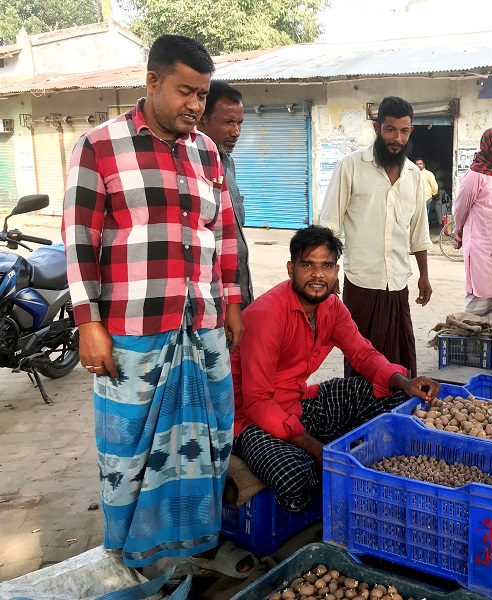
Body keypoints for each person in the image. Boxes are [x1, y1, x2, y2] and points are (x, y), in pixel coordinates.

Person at [62, 35, 251, 576]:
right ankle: (129, 553)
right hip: (133, 330)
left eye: (202, 94)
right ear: (152, 82)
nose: (196, 105)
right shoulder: (99, 147)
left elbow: (225, 235)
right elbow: (79, 241)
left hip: (204, 327)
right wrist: (87, 323)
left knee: (209, 441)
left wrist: (232, 304)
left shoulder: (207, 151)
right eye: (186, 91)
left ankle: (193, 547)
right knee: (129, 452)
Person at [231, 226, 440, 512]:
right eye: (308, 265)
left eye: (326, 266)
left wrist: (405, 382)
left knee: (398, 396)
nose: (318, 275)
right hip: (254, 421)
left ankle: (332, 463)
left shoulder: (332, 307)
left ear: (336, 270)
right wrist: (314, 446)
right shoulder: (267, 314)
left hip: (300, 402)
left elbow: (363, 354)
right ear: (291, 269)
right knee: (295, 476)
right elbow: (257, 402)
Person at [320, 96, 433, 379]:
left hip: (397, 285)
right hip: (361, 284)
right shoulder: (350, 166)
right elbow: (330, 225)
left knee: (400, 357)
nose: (397, 138)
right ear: (377, 128)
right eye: (390, 129)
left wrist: (424, 276)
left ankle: (396, 413)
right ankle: (362, 417)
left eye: (403, 131)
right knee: (360, 362)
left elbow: (418, 232)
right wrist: (328, 274)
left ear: (411, 132)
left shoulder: (414, 176)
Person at [198, 80, 254, 308]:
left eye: (239, 123)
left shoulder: (228, 164)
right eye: (228, 122)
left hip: (238, 292)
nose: (236, 132)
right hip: (209, 298)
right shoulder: (190, 167)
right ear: (202, 119)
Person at [453, 126, 492, 319]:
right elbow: (460, 208)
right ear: (490, 145)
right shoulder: (475, 175)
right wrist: (458, 230)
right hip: (481, 245)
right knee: (481, 292)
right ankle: (473, 337)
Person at [415, 158, 440, 223]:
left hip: (426, 198)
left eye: (420, 164)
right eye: (417, 164)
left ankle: (425, 230)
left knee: (424, 216)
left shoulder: (428, 174)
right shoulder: (413, 174)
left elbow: (434, 186)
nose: (418, 165)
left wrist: (433, 193)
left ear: (424, 165)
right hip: (415, 198)